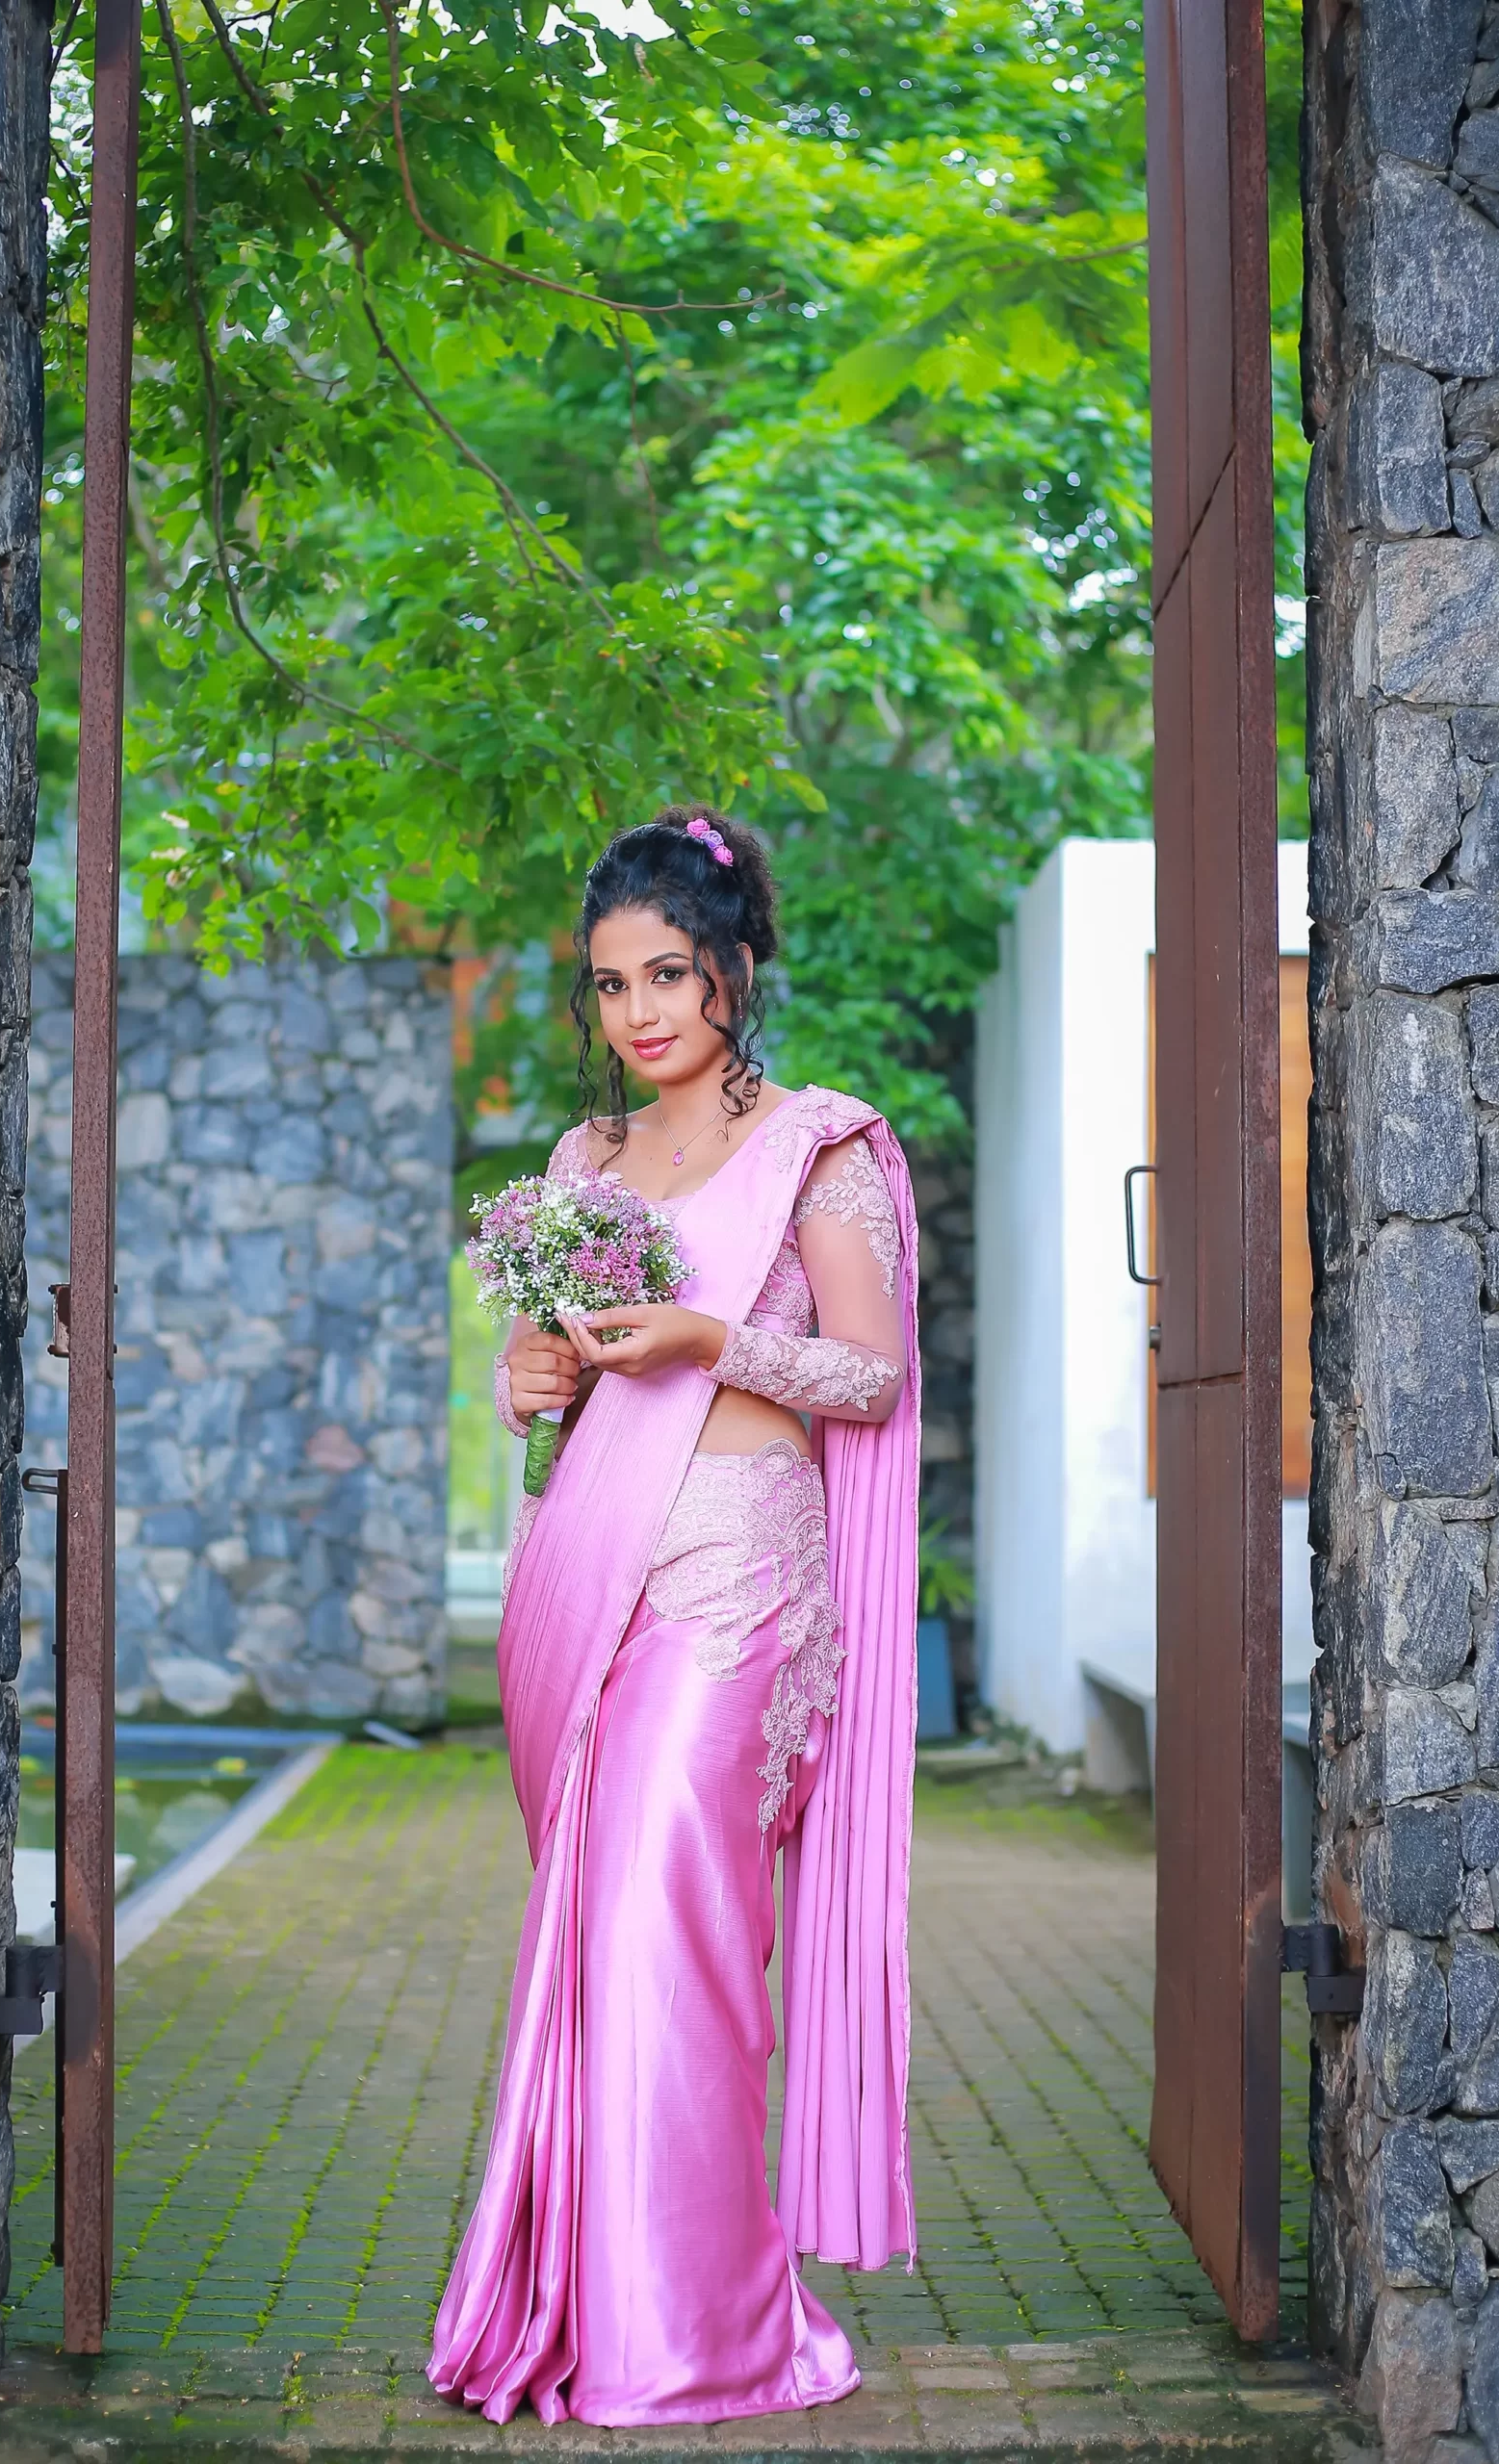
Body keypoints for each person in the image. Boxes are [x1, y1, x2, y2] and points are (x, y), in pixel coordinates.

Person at [427, 805, 920, 2426]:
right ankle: (620, 2304)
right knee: (600, 1935)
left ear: (736, 972)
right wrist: (536, 1379)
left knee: (666, 1924)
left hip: (742, 1591)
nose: (639, 1012)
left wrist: (713, 1333)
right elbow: (574, 1403)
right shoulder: (585, 1166)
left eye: (670, 975)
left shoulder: (822, 1148)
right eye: (612, 983)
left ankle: (700, 2331)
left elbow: (870, 1375)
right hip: (602, 1572)